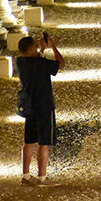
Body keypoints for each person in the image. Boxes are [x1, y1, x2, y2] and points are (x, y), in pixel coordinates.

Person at [16, 34, 65, 187]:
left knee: (28, 141)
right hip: (44, 105)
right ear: (31, 48)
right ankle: (42, 177)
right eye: (35, 47)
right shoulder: (40, 63)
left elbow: (35, 63)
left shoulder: (20, 62)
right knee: (44, 142)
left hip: (29, 106)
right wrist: (53, 46)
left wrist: (41, 51)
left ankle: (25, 175)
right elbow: (60, 64)